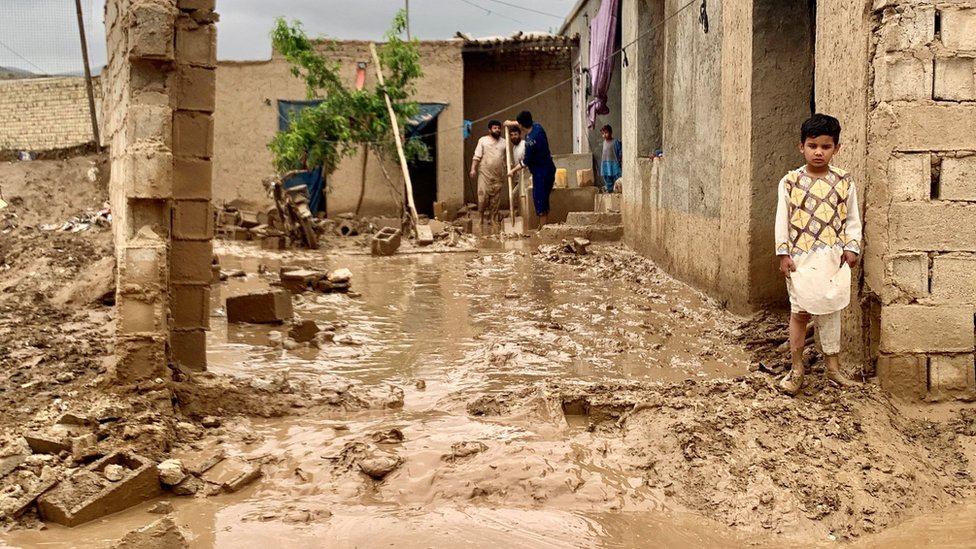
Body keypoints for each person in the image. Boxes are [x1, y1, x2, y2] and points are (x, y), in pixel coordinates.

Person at [774, 113, 862, 396]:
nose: (819, 152)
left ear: (836, 148)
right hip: (801, 259)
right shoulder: (790, 182)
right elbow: (782, 220)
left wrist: (851, 247)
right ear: (801, 146)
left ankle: (833, 369)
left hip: (832, 259)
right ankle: (797, 368)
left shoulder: (844, 181)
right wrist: (783, 253)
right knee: (799, 312)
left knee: (831, 311)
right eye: (813, 145)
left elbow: (852, 219)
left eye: (825, 146)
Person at [505, 111, 556, 227]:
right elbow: (526, 123)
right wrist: (510, 123)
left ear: (521, 125)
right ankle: (542, 225)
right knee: (543, 199)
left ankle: (542, 228)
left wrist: (512, 171)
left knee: (540, 200)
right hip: (549, 169)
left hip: (541, 174)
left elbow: (525, 162)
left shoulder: (531, 142)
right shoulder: (538, 127)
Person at [470, 120, 506, 225]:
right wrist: (473, 169)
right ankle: (481, 218)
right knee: (482, 196)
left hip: (498, 175)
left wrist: (510, 170)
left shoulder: (504, 142)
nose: (497, 130)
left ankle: (493, 219)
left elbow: (506, 159)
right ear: (489, 130)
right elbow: (476, 156)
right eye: (495, 128)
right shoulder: (483, 141)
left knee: (495, 199)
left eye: (499, 128)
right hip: (484, 174)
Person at [599, 124, 622, 193]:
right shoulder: (604, 142)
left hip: (613, 162)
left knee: (616, 176)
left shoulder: (615, 142)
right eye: (603, 133)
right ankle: (610, 190)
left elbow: (620, 151)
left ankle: (617, 190)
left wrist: (620, 158)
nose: (604, 135)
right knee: (607, 177)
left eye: (606, 133)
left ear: (611, 132)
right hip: (605, 163)